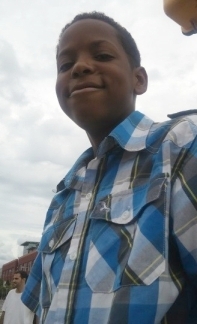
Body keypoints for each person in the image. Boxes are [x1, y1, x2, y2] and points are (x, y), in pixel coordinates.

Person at [22, 11, 197, 324]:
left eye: (101, 55)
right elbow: (41, 309)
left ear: (138, 79)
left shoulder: (180, 147)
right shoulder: (63, 197)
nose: (81, 67)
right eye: (65, 65)